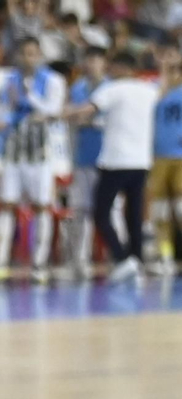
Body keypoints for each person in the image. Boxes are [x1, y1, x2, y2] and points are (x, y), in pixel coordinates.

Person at [68, 50, 158, 281]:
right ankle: (136, 260)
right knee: (134, 215)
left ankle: (121, 257)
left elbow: (88, 109)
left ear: (119, 68)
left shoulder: (111, 89)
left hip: (116, 161)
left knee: (100, 213)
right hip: (141, 161)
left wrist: (60, 114)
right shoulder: (149, 90)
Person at [0, 36, 65, 283]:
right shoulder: (9, 80)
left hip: (39, 153)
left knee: (42, 204)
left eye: (33, 53)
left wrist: (28, 96)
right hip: (14, 152)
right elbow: (3, 111)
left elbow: (52, 111)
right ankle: (0, 261)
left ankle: (39, 263)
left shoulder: (53, 80)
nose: (28, 58)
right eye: (24, 53)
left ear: (40, 54)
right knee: (6, 204)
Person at [63, 46, 107, 279]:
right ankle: (80, 260)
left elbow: (105, 119)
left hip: (108, 158)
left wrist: (85, 118)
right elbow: (68, 114)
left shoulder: (111, 87)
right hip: (82, 157)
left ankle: (115, 257)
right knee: (81, 210)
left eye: (96, 60)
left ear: (104, 63)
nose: (91, 65)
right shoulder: (78, 87)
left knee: (111, 210)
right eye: (88, 60)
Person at [146, 45, 182, 276]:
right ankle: (165, 256)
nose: (167, 60)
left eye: (172, 56)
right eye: (163, 56)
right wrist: (164, 80)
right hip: (157, 156)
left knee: (180, 209)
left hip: (180, 157)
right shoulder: (152, 88)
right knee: (159, 211)